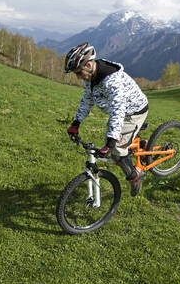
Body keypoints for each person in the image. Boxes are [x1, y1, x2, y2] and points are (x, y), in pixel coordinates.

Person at [64, 42, 149, 197]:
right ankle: (137, 144)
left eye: (78, 72)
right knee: (113, 143)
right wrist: (76, 123)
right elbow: (87, 99)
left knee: (115, 148)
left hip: (134, 111)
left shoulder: (112, 81)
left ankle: (135, 177)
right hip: (120, 111)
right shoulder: (91, 77)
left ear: (89, 65)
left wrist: (111, 142)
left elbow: (118, 110)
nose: (78, 77)